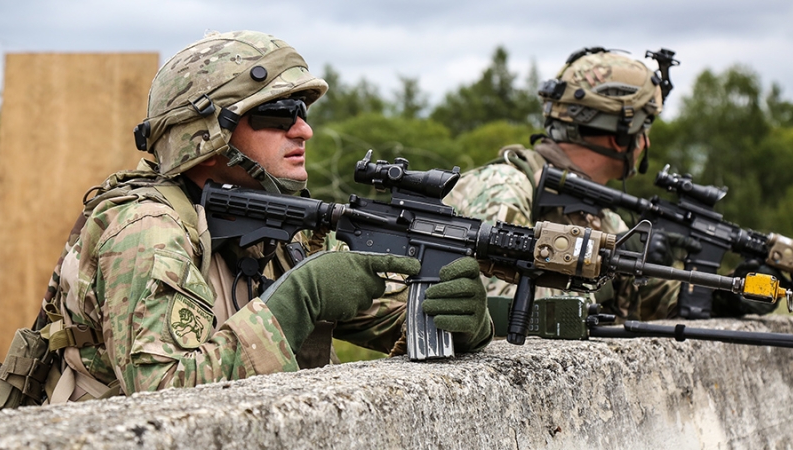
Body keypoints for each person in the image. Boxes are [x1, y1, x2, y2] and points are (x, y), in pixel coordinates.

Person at [31, 30, 492, 404]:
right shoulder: (147, 230)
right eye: (277, 113)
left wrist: (465, 318)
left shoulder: (283, 228)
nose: (303, 129)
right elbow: (162, 393)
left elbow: (393, 318)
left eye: (303, 112)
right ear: (206, 134)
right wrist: (300, 298)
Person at [446, 47, 680, 322]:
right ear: (622, 136)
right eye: (645, 128)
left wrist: (715, 293)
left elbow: (652, 298)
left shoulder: (603, 220)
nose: (646, 142)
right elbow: (498, 309)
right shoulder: (506, 188)